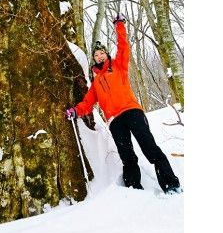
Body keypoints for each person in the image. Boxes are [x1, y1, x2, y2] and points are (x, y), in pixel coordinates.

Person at [65, 14, 181, 194]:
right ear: (94, 59)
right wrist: (75, 111)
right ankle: (134, 190)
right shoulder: (96, 83)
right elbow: (87, 103)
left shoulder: (118, 65)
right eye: (96, 55)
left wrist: (119, 25)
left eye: (102, 53)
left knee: (149, 148)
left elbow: (123, 46)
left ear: (106, 54)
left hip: (132, 111)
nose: (100, 56)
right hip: (115, 121)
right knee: (127, 156)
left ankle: (171, 185)